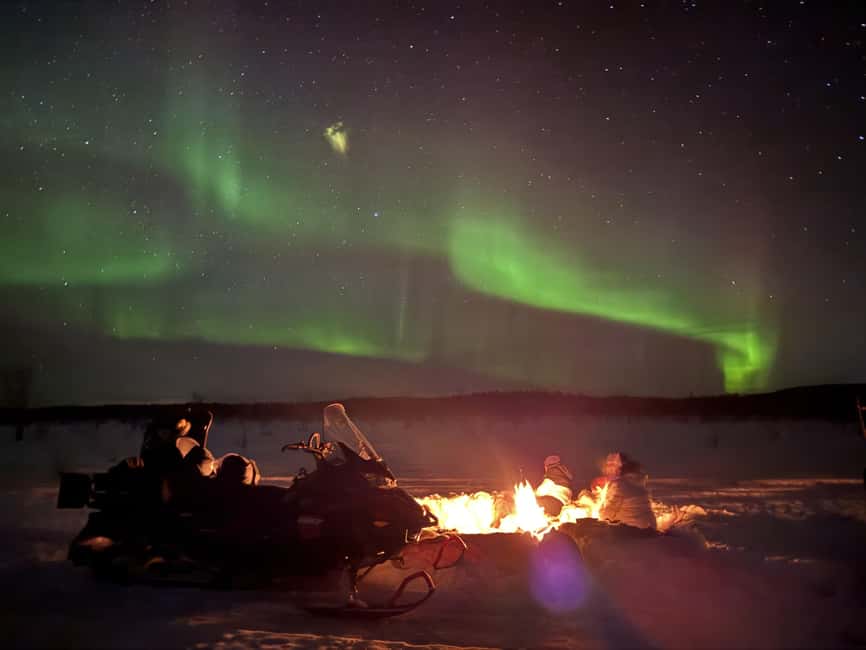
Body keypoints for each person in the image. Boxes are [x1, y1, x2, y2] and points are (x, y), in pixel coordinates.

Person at [597, 452, 656, 530]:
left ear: (621, 470)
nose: (611, 469)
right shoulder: (640, 486)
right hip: (650, 528)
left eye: (613, 465)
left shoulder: (620, 484)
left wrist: (599, 517)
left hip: (630, 530)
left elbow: (608, 511)